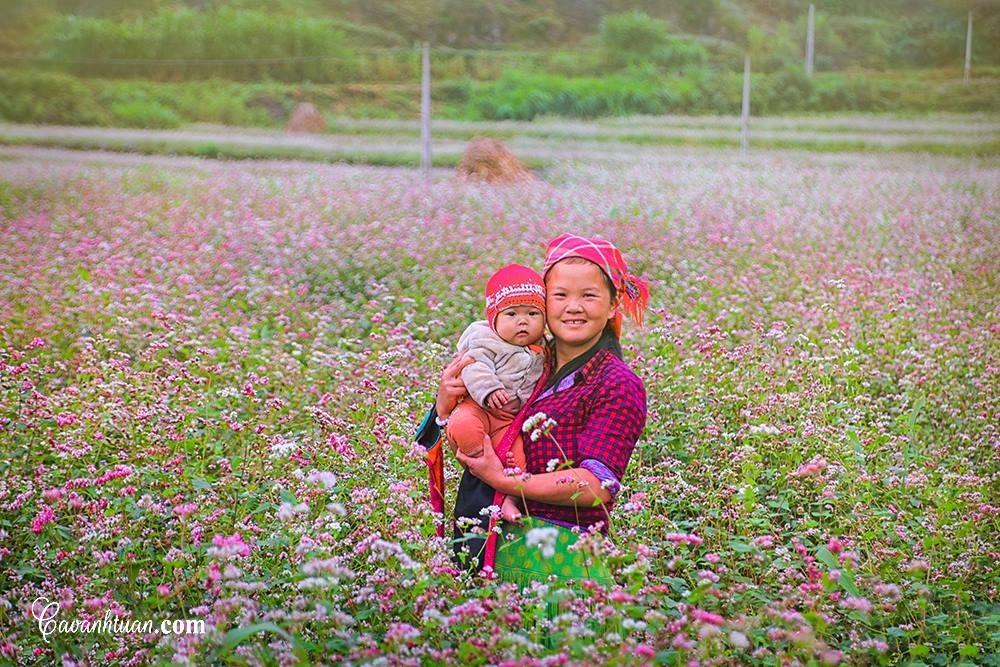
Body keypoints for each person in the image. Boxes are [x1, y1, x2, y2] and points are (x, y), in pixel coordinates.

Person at [435, 233, 649, 584]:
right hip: (487, 544)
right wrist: (446, 403)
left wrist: (503, 479)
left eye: (589, 295)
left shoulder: (616, 382)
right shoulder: (523, 361)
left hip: (561, 562)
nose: (573, 307)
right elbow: (473, 432)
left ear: (613, 306)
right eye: (560, 295)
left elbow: (597, 486)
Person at [443, 264, 546, 524]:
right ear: (494, 319)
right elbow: (475, 366)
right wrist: (489, 390)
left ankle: (510, 495)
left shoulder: (544, 348)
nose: (522, 321)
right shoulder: (486, 339)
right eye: (511, 314)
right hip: (479, 407)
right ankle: (479, 464)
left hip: (510, 420)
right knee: (463, 426)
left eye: (533, 314)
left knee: (523, 456)